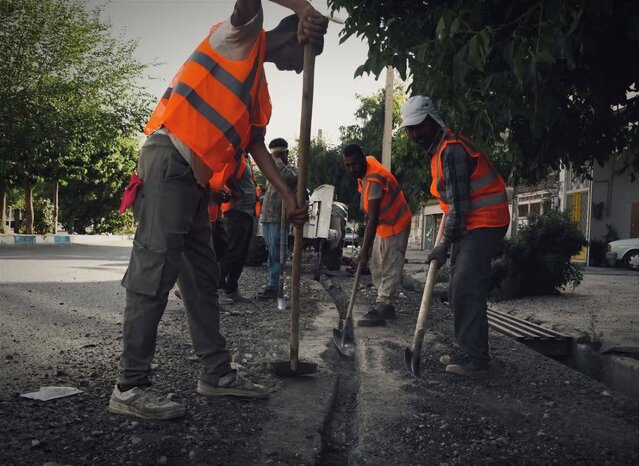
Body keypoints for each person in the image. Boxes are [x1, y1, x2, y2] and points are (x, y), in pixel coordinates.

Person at [109, 0, 327, 420]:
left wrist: (286, 194)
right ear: (293, 36)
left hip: (194, 182)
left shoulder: (257, 91)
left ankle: (215, 374)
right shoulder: (238, 38)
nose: (301, 72)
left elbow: (254, 146)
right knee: (154, 273)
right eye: (304, 60)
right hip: (168, 159)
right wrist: (305, 8)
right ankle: (129, 387)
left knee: (202, 280)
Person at [399, 95, 510, 377]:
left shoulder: (451, 151)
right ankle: (467, 348)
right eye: (409, 129)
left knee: (465, 286)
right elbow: (453, 205)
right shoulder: (439, 152)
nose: (414, 135)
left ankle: (477, 360)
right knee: (454, 289)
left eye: (418, 127)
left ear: (433, 121)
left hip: (484, 222)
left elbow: (460, 207)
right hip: (470, 223)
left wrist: (443, 246)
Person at [342, 144, 412, 326]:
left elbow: (372, 217)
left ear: (363, 159)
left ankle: (383, 304)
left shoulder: (374, 178)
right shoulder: (366, 167)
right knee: (377, 266)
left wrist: (363, 251)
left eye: (354, 164)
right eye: (347, 165)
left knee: (390, 264)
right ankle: (386, 306)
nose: (351, 169)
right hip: (384, 224)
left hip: (397, 222)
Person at [258, 138, 297, 300]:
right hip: (268, 216)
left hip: (278, 218)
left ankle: (275, 286)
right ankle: (273, 284)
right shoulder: (274, 169)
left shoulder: (290, 171)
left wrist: (276, 160)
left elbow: (289, 177)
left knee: (278, 253)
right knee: (272, 252)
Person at [220, 156, 257, 303]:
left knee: (241, 254)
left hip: (247, 212)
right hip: (236, 212)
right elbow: (227, 176)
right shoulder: (235, 156)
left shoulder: (245, 158)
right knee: (231, 252)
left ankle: (232, 289)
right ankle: (219, 288)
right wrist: (237, 192)